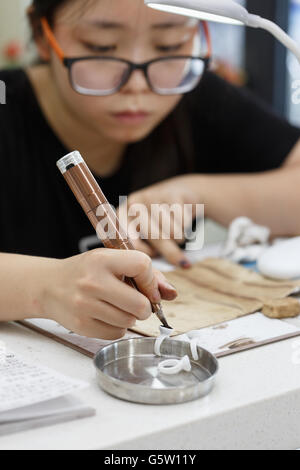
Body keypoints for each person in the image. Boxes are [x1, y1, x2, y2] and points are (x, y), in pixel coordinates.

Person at [0, 0, 300, 339]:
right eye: (101, 47)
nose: (138, 84)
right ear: (42, 34)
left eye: (169, 45)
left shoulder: (193, 96)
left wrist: (194, 192)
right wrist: (42, 287)